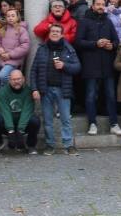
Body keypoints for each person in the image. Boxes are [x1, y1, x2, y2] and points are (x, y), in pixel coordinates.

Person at [74, 0, 121, 136]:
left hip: (107, 64)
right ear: (92, 6)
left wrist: (111, 45)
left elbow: (116, 41)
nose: (101, 7)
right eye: (98, 4)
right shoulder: (84, 22)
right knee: (90, 96)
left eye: (103, 4)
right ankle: (92, 123)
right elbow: (78, 42)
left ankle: (114, 123)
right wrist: (95, 43)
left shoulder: (108, 22)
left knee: (111, 95)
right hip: (91, 65)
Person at [30, 22, 82, 155]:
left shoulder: (68, 49)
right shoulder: (42, 48)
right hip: (45, 89)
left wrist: (64, 66)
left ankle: (69, 145)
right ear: (49, 33)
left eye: (57, 32)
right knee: (47, 120)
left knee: (65, 119)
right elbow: (34, 70)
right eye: (52, 31)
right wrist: (34, 88)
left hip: (62, 89)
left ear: (62, 34)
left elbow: (77, 68)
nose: (54, 33)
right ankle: (50, 145)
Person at [0, 69, 40, 155]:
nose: (16, 81)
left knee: (35, 121)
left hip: (23, 122)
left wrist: (20, 131)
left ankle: (31, 145)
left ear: (23, 79)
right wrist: (11, 131)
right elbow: (5, 112)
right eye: (14, 79)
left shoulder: (28, 91)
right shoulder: (2, 92)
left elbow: (26, 111)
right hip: (7, 122)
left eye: (19, 79)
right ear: (9, 80)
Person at [0, 8, 29, 87]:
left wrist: (10, 55)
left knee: (3, 76)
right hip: (2, 60)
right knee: (1, 82)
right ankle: (6, 95)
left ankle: (14, 88)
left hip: (14, 60)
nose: (10, 18)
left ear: (17, 17)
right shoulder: (3, 29)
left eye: (13, 16)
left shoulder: (21, 30)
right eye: (8, 16)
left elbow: (25, 46)